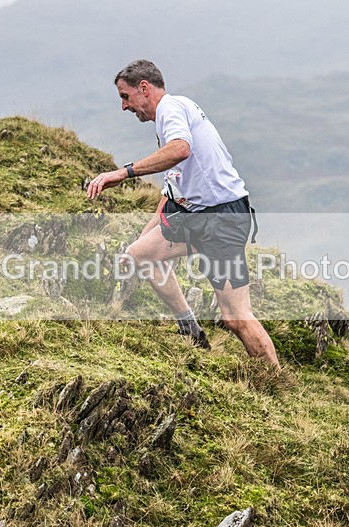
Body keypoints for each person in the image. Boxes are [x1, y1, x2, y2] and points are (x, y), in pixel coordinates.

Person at [87, 59, 279, 369]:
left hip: (222, 219)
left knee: (235, 317)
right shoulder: (170, 116)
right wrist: (142, 239)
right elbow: (170, 194)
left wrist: (123, 173)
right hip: (197, 217)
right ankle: (190, 329)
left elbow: (180, 150)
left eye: (125, 96)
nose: (124, 107)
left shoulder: (171, 108)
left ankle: (276, 377)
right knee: (141, 254)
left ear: (144, 88)